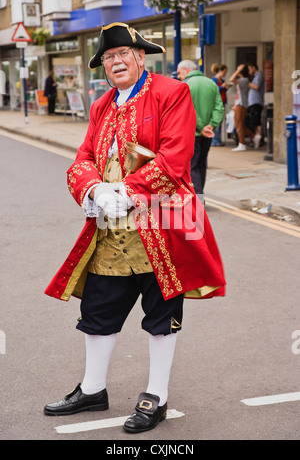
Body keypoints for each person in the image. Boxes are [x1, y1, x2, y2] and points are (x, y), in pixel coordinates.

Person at [43, 22, 226, 434]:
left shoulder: (171, 92)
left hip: (161, 223)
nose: (116, 61)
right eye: (109, 57)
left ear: (140, 57)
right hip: (109, 227)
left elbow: (176, 156)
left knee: (162, 312)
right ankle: (93, 389)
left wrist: (127, 189)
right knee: (98, 309)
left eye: (123, 53)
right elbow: (84, 156)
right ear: (104, 66)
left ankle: (156, 396)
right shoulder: (101, 104)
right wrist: (91, 188)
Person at [177, 60, 224, 196]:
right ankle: (200, 196)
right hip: (208, 134)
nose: (179, 76)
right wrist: (211, 125)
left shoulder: (184, 85)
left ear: (186, 70)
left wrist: (201, 127)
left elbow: (186, 110)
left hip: (191, 134)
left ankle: (197, 198)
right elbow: (218, 107)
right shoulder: (212, 83)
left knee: (192, 166)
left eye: (180, 73)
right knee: (202, 164)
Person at [229, 64, 256, 152]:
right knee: (239, 124)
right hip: (239, 103)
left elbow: (231, 79)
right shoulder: (243, 80)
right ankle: (254, 137)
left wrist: (237, 71)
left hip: (241, 104)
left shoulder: (244, 80)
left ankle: (242, 144)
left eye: (239, 69)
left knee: (239, 124)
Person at [247, 63, 265, 148]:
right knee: (254, 122)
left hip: (256, 102)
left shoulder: (258, 75)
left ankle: (259, 139)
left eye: (250, 69)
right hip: (252, 102)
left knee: (257, 122)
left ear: (254, 68)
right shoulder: (255, 76)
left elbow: (256, 86)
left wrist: (247, 83)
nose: (249, 71)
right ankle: (256, 139)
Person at [211, 63, 229, 146]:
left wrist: (225, 88)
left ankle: (218, 139)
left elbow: (222, 92)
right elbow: (214, 91)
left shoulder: (223, 80)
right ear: (220, 71)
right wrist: (222, 87)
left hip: (223, 102)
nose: (225, 74)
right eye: (224, 71)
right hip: (217, 103)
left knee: (221, 122)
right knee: (217, 122)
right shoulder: (214, 80)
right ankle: (215, 140)